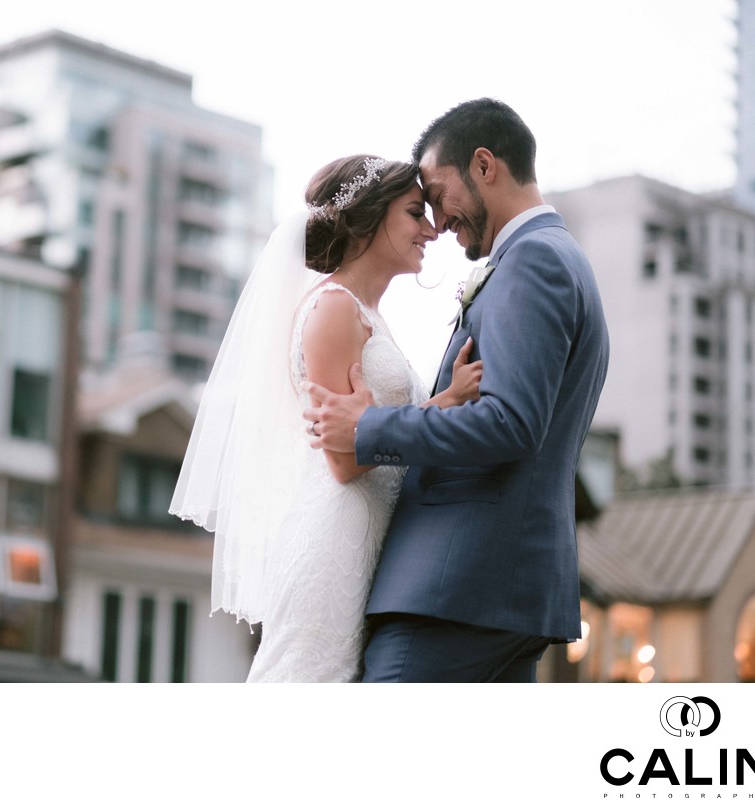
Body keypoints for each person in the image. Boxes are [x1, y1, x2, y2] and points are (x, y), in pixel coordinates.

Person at [304, 98, 610, 682]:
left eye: (439, 194)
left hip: (458, 587)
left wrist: (367, 427)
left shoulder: (533, 260)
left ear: (485, 165)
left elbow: (510, 423)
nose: (439, 222)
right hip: (490, 589)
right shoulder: (552, 256)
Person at [170, 154, 482, 682]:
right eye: (415, 214)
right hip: (333, 545)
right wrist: (444, 403)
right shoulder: (334, 308)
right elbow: (342, 459)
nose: (431, 231)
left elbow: (368, 433)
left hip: (368, 543)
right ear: (370, 217)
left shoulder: (369, 314)